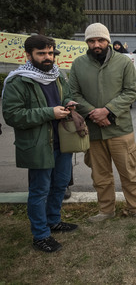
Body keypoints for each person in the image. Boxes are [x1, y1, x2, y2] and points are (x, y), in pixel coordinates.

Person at [2, 35, 78, 252]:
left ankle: (53, 220)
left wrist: (68, 103)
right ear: (28, 55)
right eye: (42, 53)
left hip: (62, 142)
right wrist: (49, 113)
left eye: (51, 53)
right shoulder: (18, 80)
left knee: (60, 184)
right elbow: (12, 115)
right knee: (39, 191)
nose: (48, 57)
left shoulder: (57, 76)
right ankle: (40, 235)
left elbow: (65, 97)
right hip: (37, 145)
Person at [69, 23, 136, 222]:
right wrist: (94, 114)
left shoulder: (123, 62)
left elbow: (131, 91)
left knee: (128, 173)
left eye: (100, 40)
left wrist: (108, 111)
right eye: (92, 41)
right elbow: (73, 94)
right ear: (87, 42)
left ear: (108, 41)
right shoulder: (78, 64)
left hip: (120, 130)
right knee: (100, 176)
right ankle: (106, 210)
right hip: (93, 131)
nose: (97, 44)